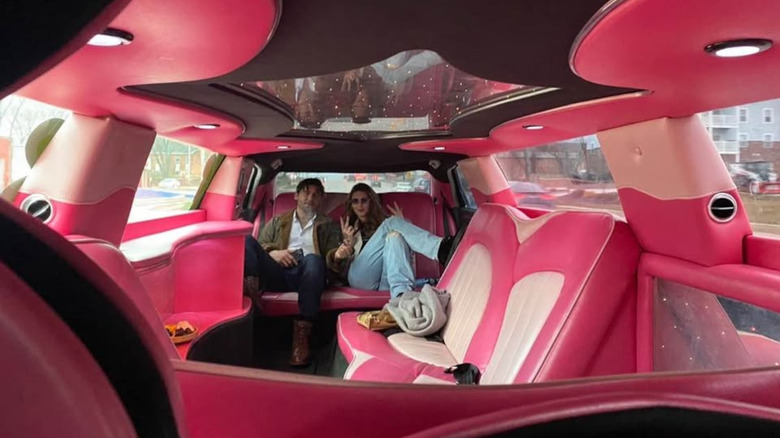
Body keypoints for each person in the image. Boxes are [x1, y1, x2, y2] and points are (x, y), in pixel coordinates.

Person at [243, 178, 341, 366]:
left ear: (321, 200)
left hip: (310, 275)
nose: (309, 198)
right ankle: (253, 302)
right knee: (247, 240)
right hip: (278, 271)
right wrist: (273, 252)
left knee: (313, 259)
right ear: (296, 195)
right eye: (305, 192)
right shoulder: (278, 221)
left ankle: (301, 341)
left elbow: (333, 258)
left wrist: (340, 254)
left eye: (315, 195)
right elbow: (261, 245)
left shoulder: (329, 225)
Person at [327, 183, 453, 298]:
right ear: (351, 204)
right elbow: (337, 266)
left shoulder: (386, 224)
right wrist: (346, 241)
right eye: (355, 201)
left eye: (364, 200)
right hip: (361, 278)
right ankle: (440, 248)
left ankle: (401, 295)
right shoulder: (347, 227)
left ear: (371, 202)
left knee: (395, 236)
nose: (360, 205)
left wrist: (404, 224)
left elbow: (406, 256)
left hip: (386, 280)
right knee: (392, 223)